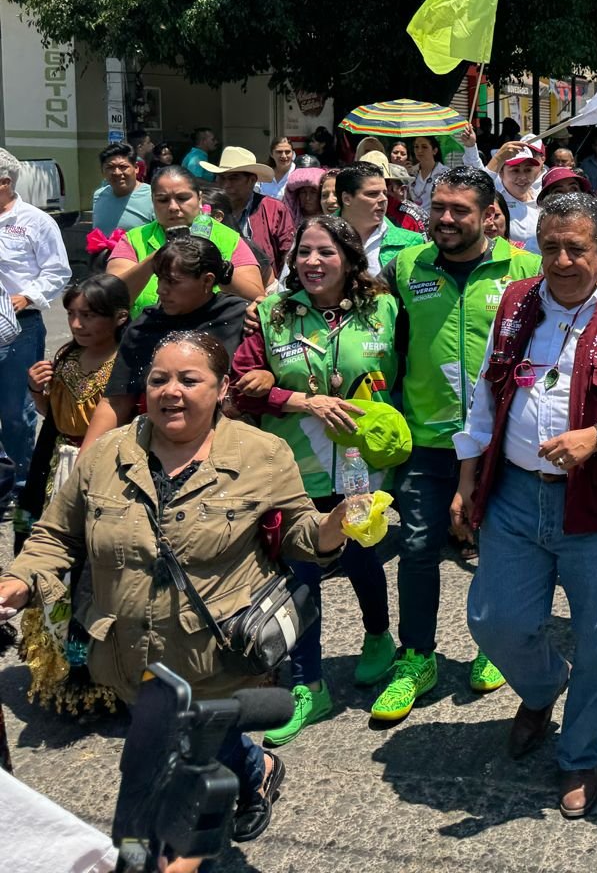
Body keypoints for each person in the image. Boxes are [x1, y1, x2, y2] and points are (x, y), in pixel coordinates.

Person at [3, 331, 355, 847]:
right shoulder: (104, 453)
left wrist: (331, 528)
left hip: (215, 656)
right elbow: (57, 534)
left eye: (190, 379)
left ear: (221, 388)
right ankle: (255, 766)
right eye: (159, 379)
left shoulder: (263, 453)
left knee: (171, 798)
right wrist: (20, 579)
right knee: (200, 738)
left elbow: (301, 533)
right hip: (126, 653)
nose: (172, 391)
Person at [452, 193, 597, 820]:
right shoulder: (516, 301)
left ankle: (580, 756)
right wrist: (466, 477)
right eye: (551, 246)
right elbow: (486, 393)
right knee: (493, 618)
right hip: (516, 493)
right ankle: (544, 686)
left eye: (577, 247)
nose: (563, 259)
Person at [370, 167, 543, 724]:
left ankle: (492, 647)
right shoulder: (406, 266)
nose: (444, 219)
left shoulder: (526, 270)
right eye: (437, 207)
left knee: (497, 546)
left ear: (490, 214)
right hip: (427, 437)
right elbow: (361, 306)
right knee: (418, 548)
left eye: (459, 210)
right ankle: (416, 657)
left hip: (501, 440)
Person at [228, 216, 401, 746]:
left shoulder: (387, 309)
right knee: (301, 572)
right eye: (303, 252)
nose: (312, 262)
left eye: (325, 252)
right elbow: (242, 385)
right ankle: (309, 684)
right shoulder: (271, 315)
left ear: (349, 257)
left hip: (359, 465)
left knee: (359, 555)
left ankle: (378, 637)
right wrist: (291, 397)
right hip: (292, 468)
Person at [82, 237, 251, 450]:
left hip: (228, 445)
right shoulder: (146, 326)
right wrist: (86, 463)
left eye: (172, 281)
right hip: (157, 445)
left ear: (207, 281)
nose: (161, 289)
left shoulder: (243, 317)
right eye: (159, 279)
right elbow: (116, 402)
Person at [13, 274, 130, 562]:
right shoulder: (67, 355)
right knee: (44, 538)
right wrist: (35, 388)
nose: (77, 324)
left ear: (120, 317)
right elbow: (53, 416)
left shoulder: (125, 365)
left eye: (88, 316)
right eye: (71, 315)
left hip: (102, 466)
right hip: (55, 460)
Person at [0, 149, 73, 502]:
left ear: (5, 183)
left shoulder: (36, 221)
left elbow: (58, 270)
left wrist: (25, 297)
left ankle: (22, 482)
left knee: (15, 409)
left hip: (18, 325)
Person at [107, 166, 265, 316]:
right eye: (162, 200)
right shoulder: (134, 239)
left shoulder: (228, 238)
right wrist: (157, 259)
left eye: (182, 198)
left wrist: (218, 268)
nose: (173, 207)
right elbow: (108, 301)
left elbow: (258, 299)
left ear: (200, 198)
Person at [205, 146, 298, 275]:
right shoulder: (207, 211)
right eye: (221, 178)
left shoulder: (274, 210)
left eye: (234, 178)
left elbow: (288, 254)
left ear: (252, 180)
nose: (226, 185)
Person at [336, 162, 426, 276]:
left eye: (384, 193)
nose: (383, 199)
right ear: (347, 199)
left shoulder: (411, 243)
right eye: (372, 194)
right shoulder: (317, 236)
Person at [90, 142, 155, 236]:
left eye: (123, 167)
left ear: (136, 168)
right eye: (110, 167)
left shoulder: (153, 196)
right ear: (102, 171)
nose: (117, 173)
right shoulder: (99, 195)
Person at [407, 135, 449, 216]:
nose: (419, 150)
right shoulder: (411, 172)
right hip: (413, 221)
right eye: (416, 147)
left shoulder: (444, 173)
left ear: (435, 151)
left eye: (424, 147)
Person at [282, 165, 327, 232]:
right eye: (303, 192)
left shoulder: (331, 220)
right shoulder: (287, 222)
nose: (307, 197)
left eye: (313, 192)